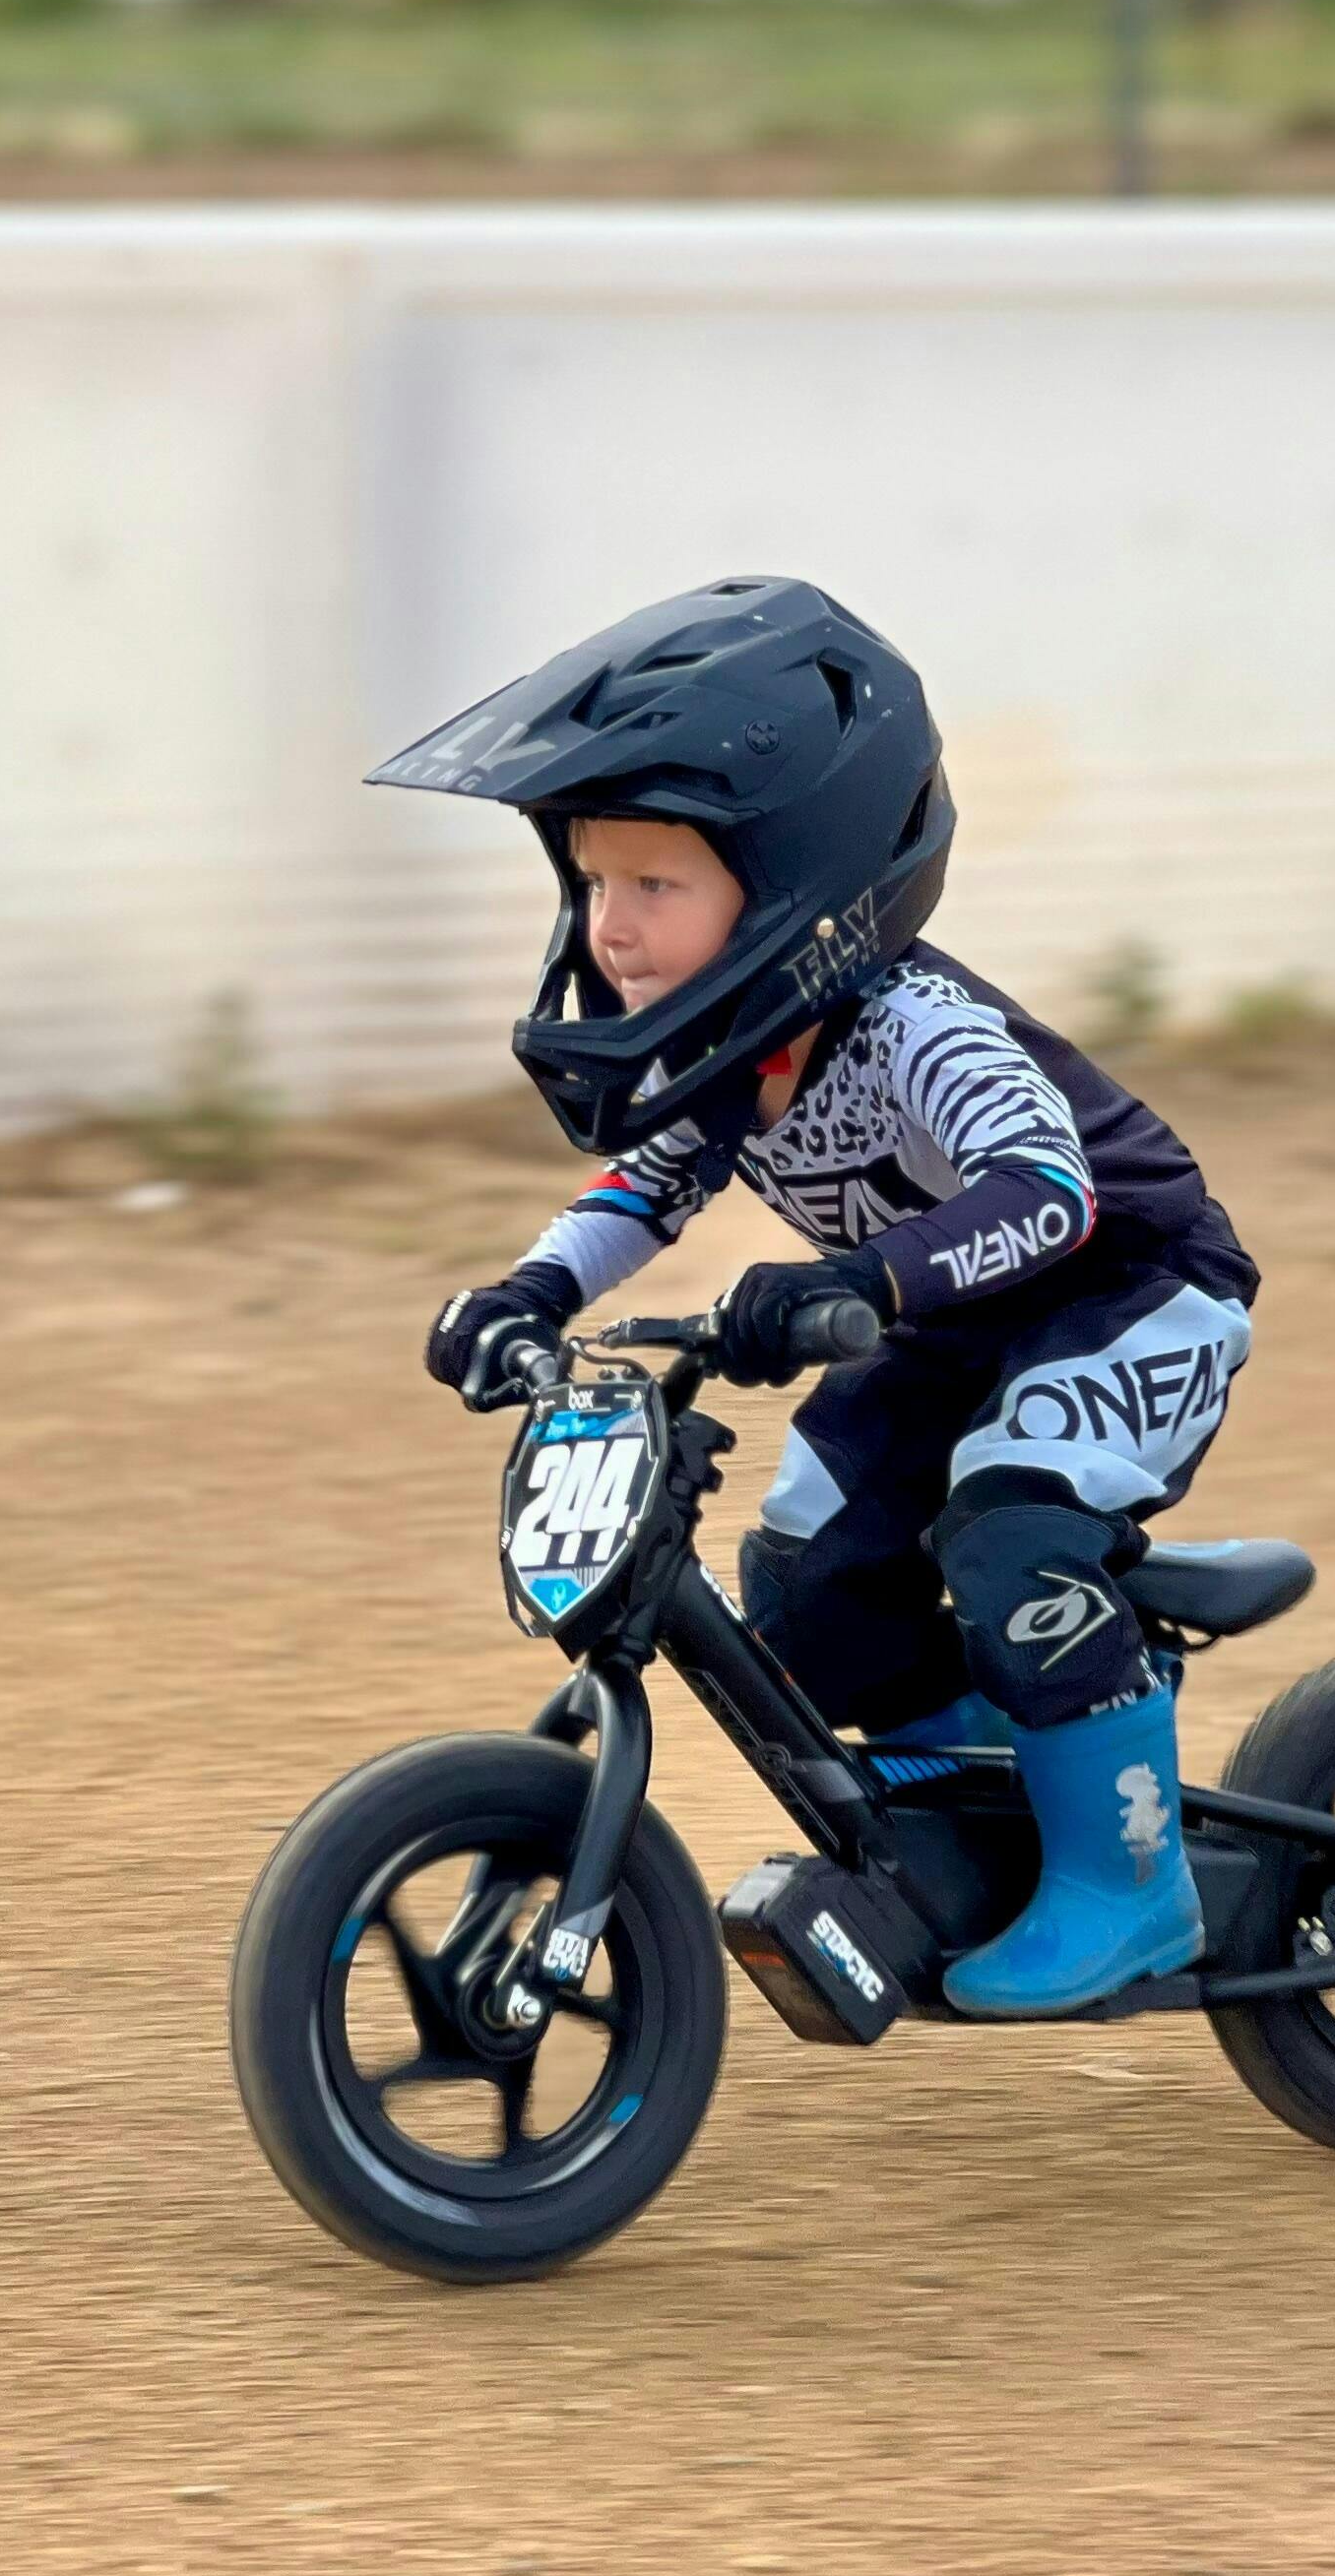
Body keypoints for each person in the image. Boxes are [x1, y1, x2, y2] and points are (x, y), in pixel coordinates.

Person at [377, 578, 1258, 2019]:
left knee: (1011, 1530)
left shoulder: (917, 1029)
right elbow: (644, 1190)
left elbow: (1050, 1191)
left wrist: (854, 1279)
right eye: (594, 884)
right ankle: (982, 1797)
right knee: (805, 1584)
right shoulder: (733, 1043)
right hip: (944, 1323)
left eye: (655, 886)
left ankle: (1129, 1882)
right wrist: (526, 1293)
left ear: (800, 885)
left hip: (1134, 1293)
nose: (609, 928)